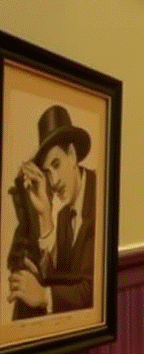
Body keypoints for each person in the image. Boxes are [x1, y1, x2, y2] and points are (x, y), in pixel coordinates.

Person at [6, 104, 96, 318]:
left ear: (72, 155)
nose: (53, 182)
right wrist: (45, 213)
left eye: (56, 164)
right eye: (48, 172)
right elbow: (66, 276)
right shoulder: (64, 217)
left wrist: (44, 294)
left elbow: (91, 289)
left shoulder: (99, 195)